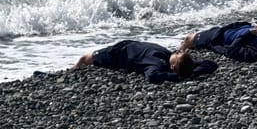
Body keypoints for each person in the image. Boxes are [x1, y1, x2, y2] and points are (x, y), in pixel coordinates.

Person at [75, 39, 218, 84]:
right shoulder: (170, 57)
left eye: (179, 54)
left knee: (85, 58)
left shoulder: (157, 64)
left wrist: (177, 77)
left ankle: (75, 68)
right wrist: (191, 73)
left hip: (119, 54)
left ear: (173, 66)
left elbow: (152, 76)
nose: (179, 51)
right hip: (132, 44)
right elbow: (212, 64)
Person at [181, 22, 257, 63]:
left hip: (219, 37)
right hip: (232, 27)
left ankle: (178, 55)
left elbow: (232, 50)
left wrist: (250, 33)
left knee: (189, 38)